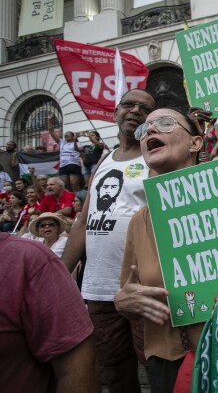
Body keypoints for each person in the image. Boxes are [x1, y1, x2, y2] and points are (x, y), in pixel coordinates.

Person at [114, 107, 218, 392]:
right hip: (168, 366)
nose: (150, 132)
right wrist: (124, 303)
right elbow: (128, 293)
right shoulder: (138, 223)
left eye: (165, 124)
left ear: (195, 143)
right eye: (144, 130)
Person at [61, 88, 156, 393]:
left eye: (144, 108)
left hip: (143, 285)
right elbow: (83, 222)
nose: (135, 111)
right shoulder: (102, 160)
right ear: (115, 112)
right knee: (115, 372)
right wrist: (61, 274)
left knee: (157, 365)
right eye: (129, 105)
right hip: (99, 289)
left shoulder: (157, 155)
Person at [0, 232, 100, 393]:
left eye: (51, 224)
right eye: (42, 225)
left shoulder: (29, 260)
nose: (47, 228)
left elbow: (79, 369)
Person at [47, 114, 84, 192]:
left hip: (73, 164)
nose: (66, 135)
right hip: (63, 166)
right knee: (64, 186)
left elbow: (78, 150)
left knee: (74, 185)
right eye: (65, 135)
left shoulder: (77, 143)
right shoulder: (62, 142)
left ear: (73, 136)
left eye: (68, 134)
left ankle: (76, 201)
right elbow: (51, 131)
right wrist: (50, 120)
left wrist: (75, 140)